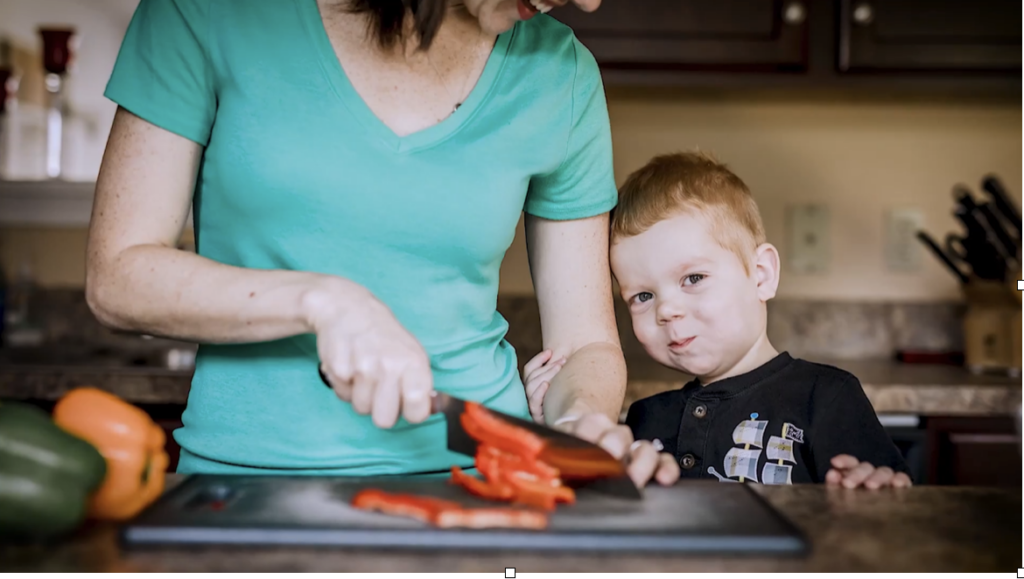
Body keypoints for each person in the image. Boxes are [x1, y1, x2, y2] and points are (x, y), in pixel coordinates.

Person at [86, 0, 679, 486]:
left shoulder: (560, 70)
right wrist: (322, 301)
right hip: (243, 485)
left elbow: (583, 344)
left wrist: (579, 421)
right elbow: (117, 276)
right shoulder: (206, 12)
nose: (590, 2)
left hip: (484, 484)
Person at [525, 151, 912, 488]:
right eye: (643, 296)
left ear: (761, 274)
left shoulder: (827, 396)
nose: (667, 310)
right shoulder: (646, 418)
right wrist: (559, 430)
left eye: (693, 279)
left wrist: (875, 485)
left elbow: (889, 505)